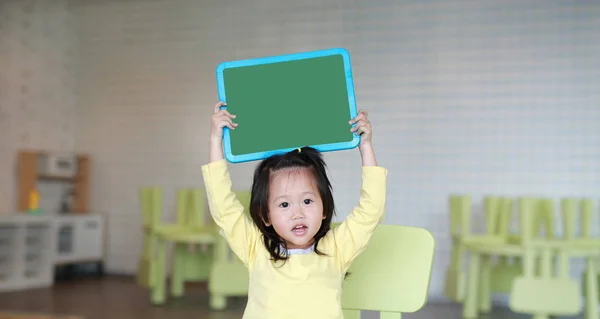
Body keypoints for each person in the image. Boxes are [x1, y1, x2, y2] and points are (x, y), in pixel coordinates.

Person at [201, 101, 388, 318]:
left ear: (324, 209)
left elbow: (371, 210)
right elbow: (224, 208)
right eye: (284, 204)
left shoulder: (337, 249)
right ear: (266, 216)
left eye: (307, 201)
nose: (297, 213)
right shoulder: (256, 249)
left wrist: (365, 146)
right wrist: (215, 140)